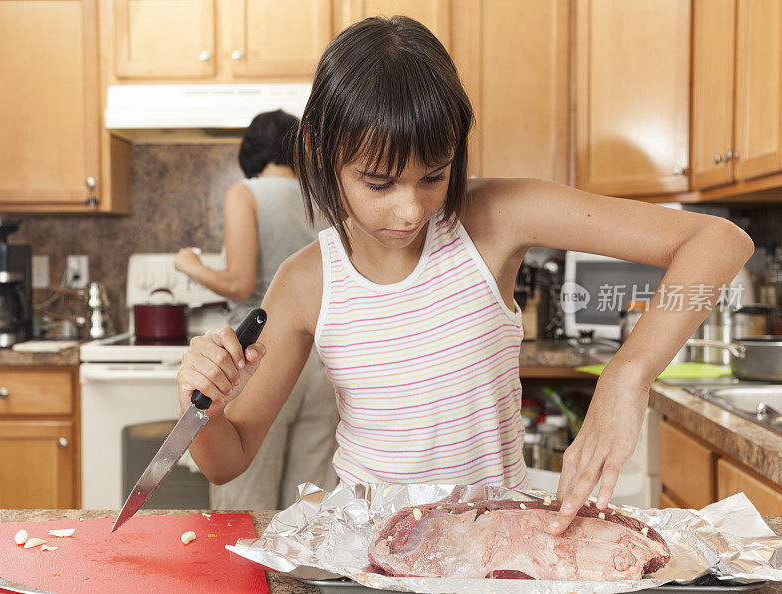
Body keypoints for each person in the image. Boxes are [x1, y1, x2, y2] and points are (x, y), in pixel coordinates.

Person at [176, 17, 754, 532]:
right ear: (318, 149)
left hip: (496, 549)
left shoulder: (495, 218)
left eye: (434, 176)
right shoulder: (306, 282)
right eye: (379, 183)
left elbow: (718, 240)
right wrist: (204, 410)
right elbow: (230, 458)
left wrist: (626, 377)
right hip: (370, 553)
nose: (411, 210)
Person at [174, 110, 338, 510]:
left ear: (251, 153)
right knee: (310, 509)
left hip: (258, 361)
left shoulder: (245, 193)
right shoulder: (324, 197)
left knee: (244, 504)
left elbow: (240, 283)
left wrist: (191, 267)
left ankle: (244, 576)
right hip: (323, 362)